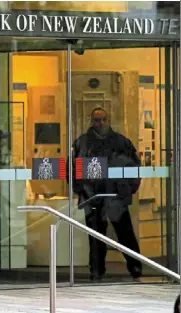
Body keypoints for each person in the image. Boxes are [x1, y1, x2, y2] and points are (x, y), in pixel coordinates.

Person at [68, 107, 142, 281]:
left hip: (116, 198)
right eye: (96, 120)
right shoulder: (82, 143)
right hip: (93, 197)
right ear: (91, 121)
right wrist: (81, 191)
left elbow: (134, 167)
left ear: (108, 121)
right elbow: (71, 170)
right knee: (95, 238)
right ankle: (96, 270)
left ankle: (136, 268)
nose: (100, 123)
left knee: (125, 235)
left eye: (103, 120)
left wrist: (128, 189)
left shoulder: (122, 143)